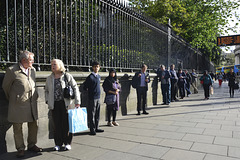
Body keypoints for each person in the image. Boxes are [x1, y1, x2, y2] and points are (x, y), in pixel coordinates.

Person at [2, 50, 42, 158]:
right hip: (18, 104)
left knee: (34, 124)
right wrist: (14, 98)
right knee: (17, 127)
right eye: (31, 60)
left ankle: (32, 144)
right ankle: (20, 148)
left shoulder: (32, 70)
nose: (33, 62)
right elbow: (6, 87)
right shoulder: (12, 71)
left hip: (31, 103)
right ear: (23, 60)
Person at [45, 59, 80, 151]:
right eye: (51, 64)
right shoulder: (49, 78)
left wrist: (77, 101)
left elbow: (75, 88)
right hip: (54, 104)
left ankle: (67, 143)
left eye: (54, 64)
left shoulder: (67, 76)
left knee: (67, 124)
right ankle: (58, 143)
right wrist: (47, 100)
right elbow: (46, 91)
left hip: (66, 104)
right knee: (56, 125)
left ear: (60, 65)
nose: (52, 66)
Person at [83, 61, 104, 135]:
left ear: (99, 67)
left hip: (98, 97)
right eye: (95, 66)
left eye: (97, 66)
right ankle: (92, 129)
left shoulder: (98, 76)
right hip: (92, 98)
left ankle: (97, 127)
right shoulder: (90, 77)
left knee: (97, 113)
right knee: (92, 113)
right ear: (92, 67)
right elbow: (85, 87)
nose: (96, 68)